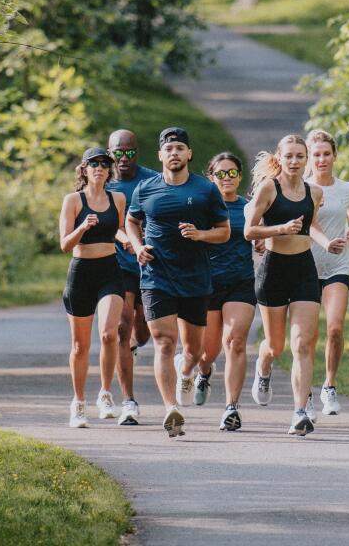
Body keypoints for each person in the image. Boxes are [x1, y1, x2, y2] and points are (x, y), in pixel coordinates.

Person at [125, 127, 230, 438]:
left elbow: (224, 231)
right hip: (156, 277)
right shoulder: (145, 189)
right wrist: (138, 246)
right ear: (160, 155)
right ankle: (171, 408)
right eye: (169, 149)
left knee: (194, 350)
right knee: (165, 342)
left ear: (189, 154)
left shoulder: (205, 190)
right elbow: (131, 220)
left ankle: (187, 370)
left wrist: (201, 234)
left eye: (180, 148)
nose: (174, 153)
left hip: (195, 278)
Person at [244, 134, 346, 436]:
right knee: (276, 346)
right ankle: (263, 366)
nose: (294, 161)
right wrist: (280, 229)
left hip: (304, 270)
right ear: (279, 158)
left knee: (302, 343)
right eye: (289, 156)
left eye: (300, 156)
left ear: (306, 160)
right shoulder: (268, 188)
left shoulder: (314, 192)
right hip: (273, 271)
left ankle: (300, 412)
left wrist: (327, 243)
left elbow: (310, 226)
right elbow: (249, 230)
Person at [57, 147, 127, 428]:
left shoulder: (117, 198)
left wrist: (127, 240)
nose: (99, 168)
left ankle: (106, 393)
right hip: (81, 273)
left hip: (109, 270)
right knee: (80, 345)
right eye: (94, 164)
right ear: (84, 169)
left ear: (110, 171)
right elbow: (65, 244)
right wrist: (82, 227)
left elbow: (117, 228)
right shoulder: (73, 200)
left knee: (110, 334)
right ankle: (78, 403)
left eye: (104, 164)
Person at [194, 152, 256, 431]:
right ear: (211, 177)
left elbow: (259, 232)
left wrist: (262, 243)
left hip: (240, 282)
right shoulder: (202, 207)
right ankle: (204, 372)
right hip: (208, 284)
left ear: (239, 176)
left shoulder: (249, 208)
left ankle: (232, 407)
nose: (227, 178)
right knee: (208, 351)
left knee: (235, 341)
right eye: (220, 173)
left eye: (232, 173)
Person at [306, 130, 349, 416]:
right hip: (306, 266)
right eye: (316, 155)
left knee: (335, 328)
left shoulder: (346, 189)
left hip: (338, 265)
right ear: (309, 158)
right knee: (308, 334)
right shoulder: (302, 188)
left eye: (326, 154)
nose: (322, 159)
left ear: (335, 156)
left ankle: (329, 385)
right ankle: (305, 391)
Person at [105, 130, 156, 425]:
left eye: (129, 152)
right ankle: (129, 401)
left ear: (137, 152)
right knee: (121, 328)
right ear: (110, 153)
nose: (124, 158)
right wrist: (123, 238)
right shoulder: (105, 183)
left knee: (144, 331)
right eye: (118, 153)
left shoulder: (151, 181)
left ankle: (134, 345)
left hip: (148, 264)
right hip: (118, 264)